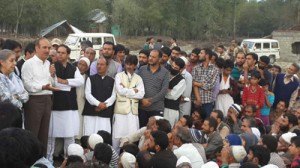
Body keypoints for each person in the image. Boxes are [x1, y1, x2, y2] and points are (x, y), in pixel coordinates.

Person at [46, 45, 84, 163]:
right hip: (55, 106)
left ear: (68, 55)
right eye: (58, 52)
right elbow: (54, 83)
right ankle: (49, 160)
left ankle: (69, 161)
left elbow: (80, 81)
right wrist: (67, 85)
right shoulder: (52, 66)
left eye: (63, 53)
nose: (60, 54)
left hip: (70, 106)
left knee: (69, 136)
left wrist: (66, 81)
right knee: (51, 136)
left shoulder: (73, 68)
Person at [22, 38, 58, 155]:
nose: (47, 50)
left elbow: (53, 82)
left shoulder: (48, 63)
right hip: (34, 100)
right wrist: (42, 87)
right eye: (44, 48)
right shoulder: (29, 64)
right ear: (37, 48)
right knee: (33, 132)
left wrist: (52, 75)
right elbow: (27, 84)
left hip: (48, 99)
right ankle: (29, 160)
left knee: (44, 133)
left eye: (49, 48)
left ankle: (42, 160)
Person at [112, 55, 145, 153]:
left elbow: (141, 94)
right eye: (127, 64)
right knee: (117, 136)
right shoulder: (119, 76)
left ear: (135, 66)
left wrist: (126, 90)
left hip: (133, 112)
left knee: (131, 137)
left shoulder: (138, 78)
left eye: (131, 65)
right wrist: (133, 91)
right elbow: (120, 91)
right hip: (120, 111)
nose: (129, 67)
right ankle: (115, 159)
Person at [82, 57, 116, 135]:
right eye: (98, 64)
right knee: (89, 135)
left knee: (103, 136)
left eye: (102, 64)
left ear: (107, 66)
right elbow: (88, 94)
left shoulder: (112, 81)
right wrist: (98, 104)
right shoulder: (90, 79)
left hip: (105, 113)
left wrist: (104, 105)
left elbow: (113, 96)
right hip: (91, 112)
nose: (99, 66)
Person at [138, 49, 169, 127]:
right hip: (142, 107)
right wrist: (142, 100)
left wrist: (151, 101)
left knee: (155, 132)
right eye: (150, 56)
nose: (150, 58)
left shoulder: (165, 72)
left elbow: (164, 90)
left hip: (157, 108)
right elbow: (137, 86)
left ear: (159, 59)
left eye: (154, 57)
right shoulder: (142, 69)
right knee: (141, 131)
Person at [192, 48, 219, 118]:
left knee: (207, 123)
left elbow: (211, 86)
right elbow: (194, 85)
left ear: (207, 55)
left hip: (208, 103)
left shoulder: (215, 69)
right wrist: (198, 99)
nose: (199, 55)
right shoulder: (196, 68)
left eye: (201, 53)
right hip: (196, 102)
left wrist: (197, 83)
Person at [164, 58, 186, 126]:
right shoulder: (165, 74)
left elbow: (173, 96)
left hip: (171, 110)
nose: (173, 68)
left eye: (175, 68)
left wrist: (163, 90)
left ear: (180, 69)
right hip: (161, 106)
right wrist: (167, 89)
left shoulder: (182, 81)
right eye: (172, 66)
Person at [76, 57, 90, 138]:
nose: (80, 67)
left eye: (83, 65)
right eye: (79, 64)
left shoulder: (88, 78)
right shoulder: (72, 75)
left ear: (87, 68)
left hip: (82, 105)